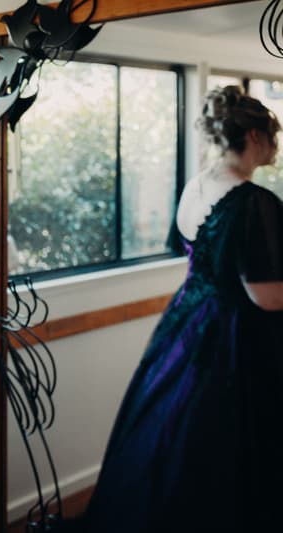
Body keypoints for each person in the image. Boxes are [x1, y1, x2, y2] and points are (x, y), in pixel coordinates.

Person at [77, 85, 283, 532]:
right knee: (237, 450)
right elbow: (267, 296)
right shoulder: (253, 201)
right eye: (274, 136)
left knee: (179, 439)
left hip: (188, 321)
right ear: (252, 137)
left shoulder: (198, 185)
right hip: (237, 338)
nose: (276, 146)